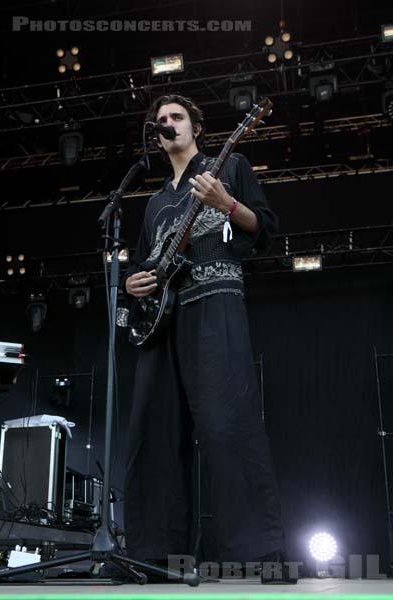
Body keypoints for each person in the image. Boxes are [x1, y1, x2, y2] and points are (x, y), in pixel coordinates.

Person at [123, 94, 290, 580]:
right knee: (153, 435)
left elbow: (264, 229)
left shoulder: (229, 165)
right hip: (163, 322)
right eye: (161, 121)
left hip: (215, 305)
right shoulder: (154, 203)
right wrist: (132, 282)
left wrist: (227, 203)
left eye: (176, 117)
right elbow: (141, 265)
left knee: (227, 425)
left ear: (196, 126)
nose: (167, 124)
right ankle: (155, 557)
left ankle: (262, 556)